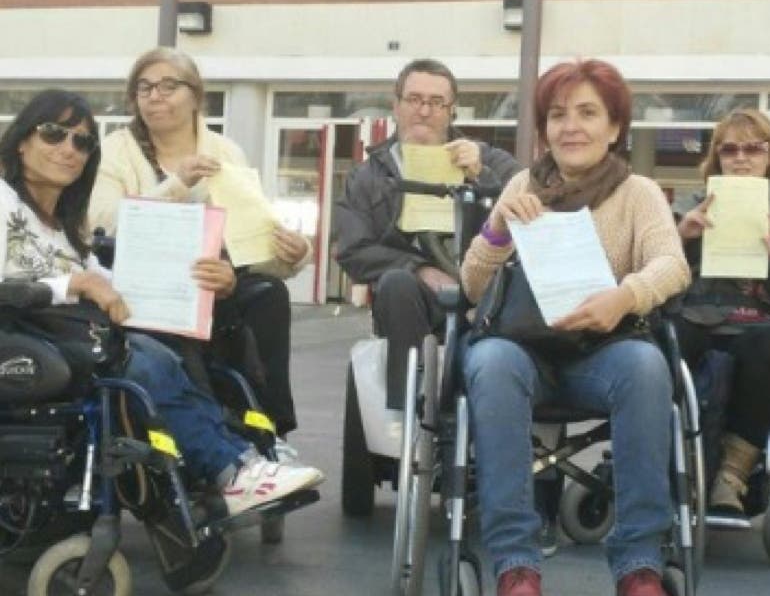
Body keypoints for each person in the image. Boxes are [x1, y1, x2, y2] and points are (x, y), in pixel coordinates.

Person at [0, 89, 323, 517]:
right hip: (26, 340)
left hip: (80, 337)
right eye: (53, 134)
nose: (68, 149)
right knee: (146, 362)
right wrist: (74, 283)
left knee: (181, 343)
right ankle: (232, 468)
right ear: (23, 139)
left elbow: (117, 281)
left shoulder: (65, 224)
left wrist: (201, 280)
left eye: (81, 141)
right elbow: (69, 282)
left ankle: (242, 459)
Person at [461, 59, 690, 596]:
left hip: (602, 352)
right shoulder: (522, 185)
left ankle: (639, 563)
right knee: (490, 361)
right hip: (523, 350)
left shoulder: (639, 194)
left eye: (588, 113)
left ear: (614, 128)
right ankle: (516, 563)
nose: (571, 126)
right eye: (558, 115)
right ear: (543, 130)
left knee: (646, 364)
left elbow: (672, 265)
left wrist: (625, 296)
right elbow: (472, 286)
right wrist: (497, 229)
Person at [89, 47, 309, 441]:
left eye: (168, 86)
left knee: (269, 293)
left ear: (196, 96)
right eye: (145, 88)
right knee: (205, 303)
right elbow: (105, 224)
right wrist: (178, 184)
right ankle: (216, 433)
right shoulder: (115, 151)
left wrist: (291, 256)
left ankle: (270, 430)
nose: (155, 96)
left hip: (213, 281)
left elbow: (248, 236)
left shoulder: (225, 152)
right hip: (142, 286)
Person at [335, 58, 519, 410]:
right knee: (395, 284)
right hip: (412, 298)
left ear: (452, 112)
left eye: (436, 103)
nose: (424, 111)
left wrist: (482, 176)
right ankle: (408, 416)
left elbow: (532, 204)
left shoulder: (491, 160)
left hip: (486, 293)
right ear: (396, 105)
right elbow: (353, 249)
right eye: (414, 99)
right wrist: (417, 269)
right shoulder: (367, 176)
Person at [673, 108, 770, 518]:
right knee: (665, 338)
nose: (741, 158)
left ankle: (732, 474)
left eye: (753, 149)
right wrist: (681, 240)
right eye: (730, 150)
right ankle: (668, 463)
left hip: (765, 320)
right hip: (698, 313)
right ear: (717, 156)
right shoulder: (691, 204)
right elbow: (656, 274)